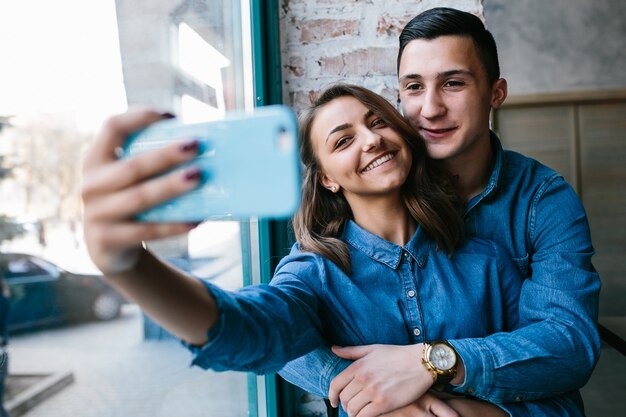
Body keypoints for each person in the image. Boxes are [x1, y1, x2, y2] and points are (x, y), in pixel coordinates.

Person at [81, 84, 525, 417]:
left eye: (377, 122)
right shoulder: (314, 273)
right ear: (328, 178)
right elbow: (247, 328)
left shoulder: (487, 259)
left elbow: (549, 394)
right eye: (343, 140)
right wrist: (130, 267)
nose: (370, 140)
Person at [279, 7, 601, 417]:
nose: (430, 109)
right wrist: (380, 397)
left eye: (452, 84)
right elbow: (282, 324)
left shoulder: (542, 200)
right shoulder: (374, 188)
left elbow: (568, 345)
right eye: (414, 87)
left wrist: (431, 362)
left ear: (495, 93)